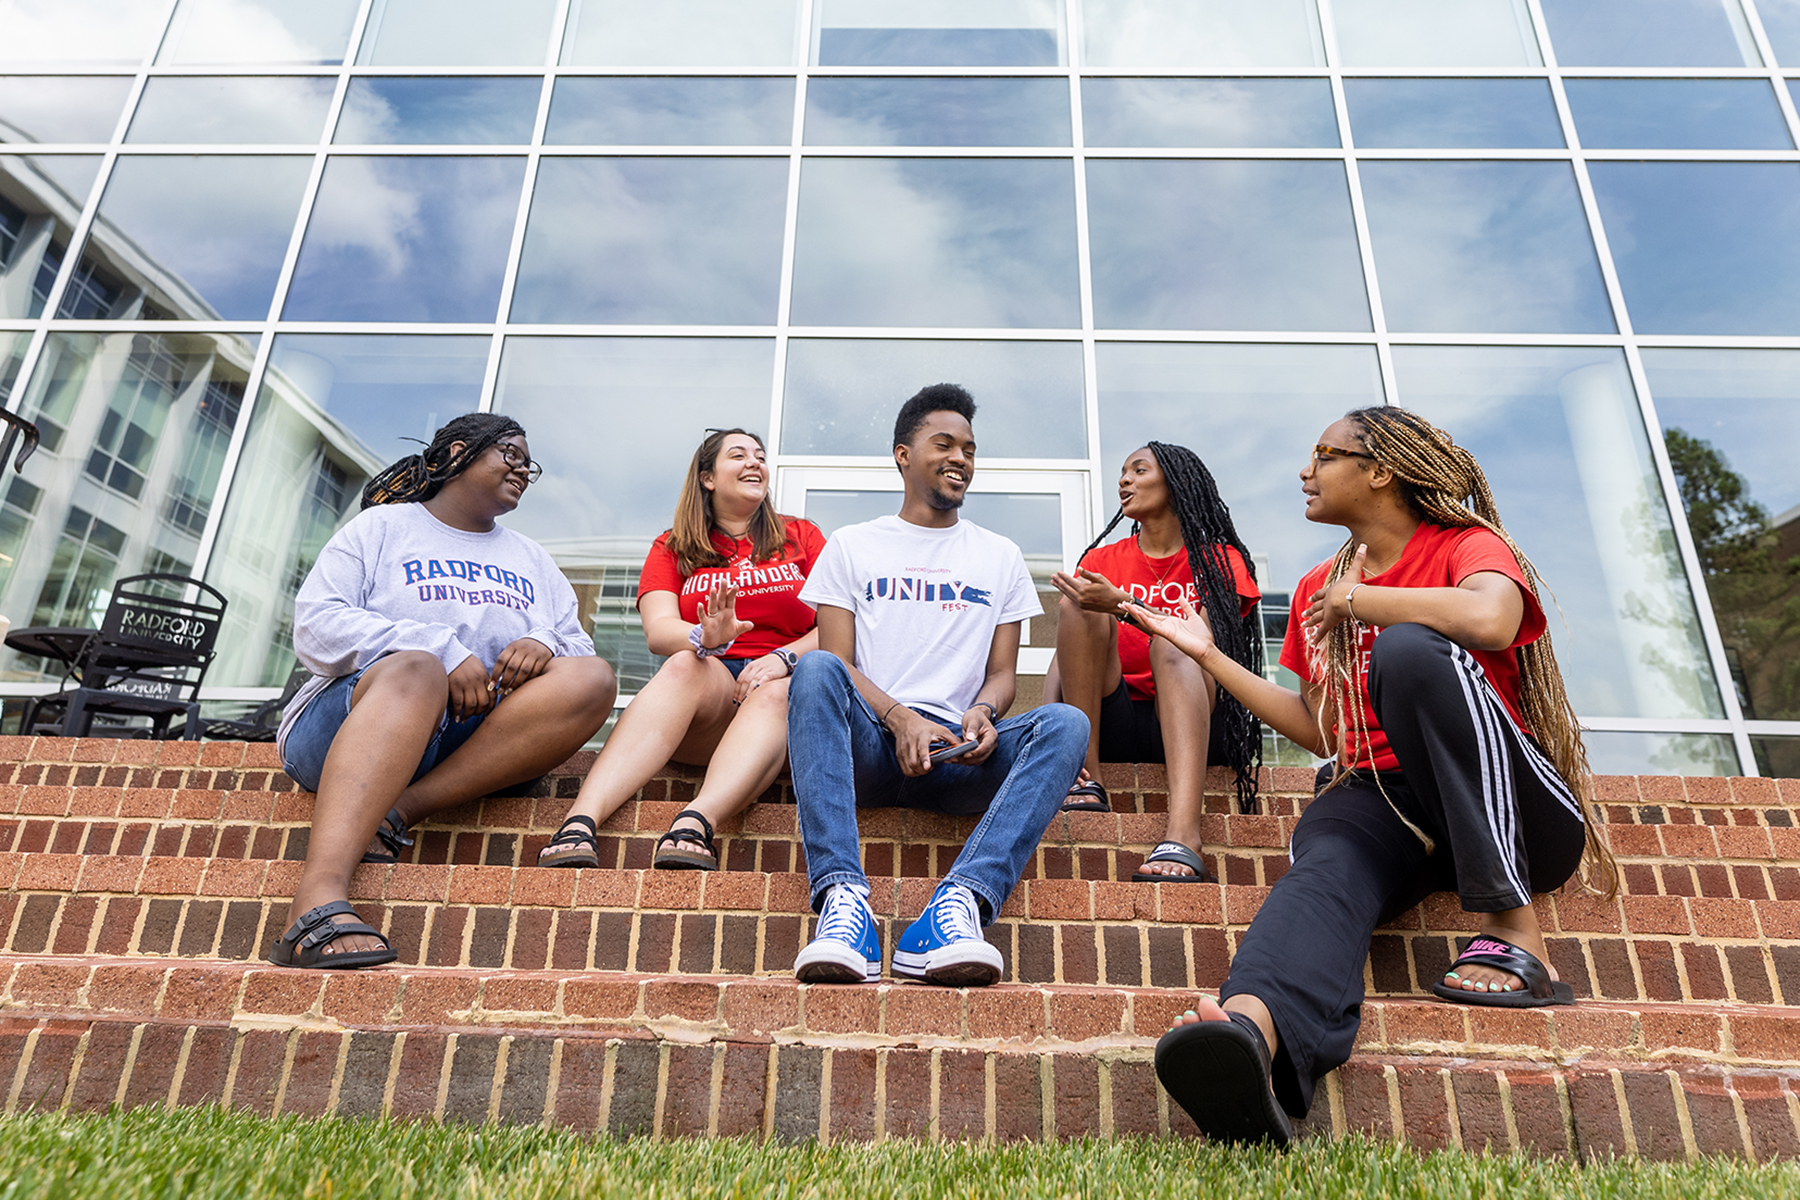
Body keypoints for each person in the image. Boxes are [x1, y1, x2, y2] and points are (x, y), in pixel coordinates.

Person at [1134, 406, 1614, 1146]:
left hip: (1513, 811)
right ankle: (1251, 1037)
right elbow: (1322, 730)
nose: (1306, 470)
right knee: (1323, 862)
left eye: (1323, 455)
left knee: (1410, 652)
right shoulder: (1313, 589)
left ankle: (1517, 935)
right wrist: (1205, 653)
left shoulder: (1463, 545)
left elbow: (1491, 618)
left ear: (1381, 469)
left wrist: (1360, 603)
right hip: (1387, 801)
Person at [269, 413, 616, 970]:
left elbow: (578, 647)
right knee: (418, 669)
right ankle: (316, 898)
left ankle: (398, 810)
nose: (523, 470)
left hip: (469, 743)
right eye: (511, 453)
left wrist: (544, 640)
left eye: (530, 463)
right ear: (458, 452)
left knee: (594, 676)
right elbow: (315, 627)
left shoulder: (531, 557)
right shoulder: (382, 528)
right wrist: (437, 648)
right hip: (346, 728)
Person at [787, 383, 1089, 987]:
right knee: (815, 668)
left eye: (970, 450)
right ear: (903, 455)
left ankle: (957, 909)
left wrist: (982, 710)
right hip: (871, 743)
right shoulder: (853, 545)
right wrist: (899, 718)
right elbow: (840, 664)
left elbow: (1003, 675)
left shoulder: (999, 556)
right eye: (944, 444)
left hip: (957, 755)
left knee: (1066, 723)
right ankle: (844, 907)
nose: (961, 459)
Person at [538, 428, 826, 870]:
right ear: (708, 478)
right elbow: (659, 630)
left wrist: (781, 658)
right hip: (710, 703)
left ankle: (695, 823)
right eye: (738, 455)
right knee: (681, 665)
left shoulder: (802, 537)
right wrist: (704, 637)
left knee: (778, 691)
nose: (755, 463)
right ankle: (579, 821)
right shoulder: (673, 546)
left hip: (785, 704)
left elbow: (839, 628)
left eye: (760, 456)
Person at [1046, 442, 1264, 883]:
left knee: (1173, 643)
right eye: (1122, 472)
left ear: (1177, 482)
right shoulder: (1102, 561)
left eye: (1138, 470)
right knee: (1080, 606)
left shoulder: (1220, 560)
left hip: (1196, 719)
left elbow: (1205, 646)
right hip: (1116, 720)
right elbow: (1064, 659)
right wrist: (1053, 735)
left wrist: (1124, 604)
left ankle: (1184, 835)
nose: (1124, 480)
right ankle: (1085, 778)